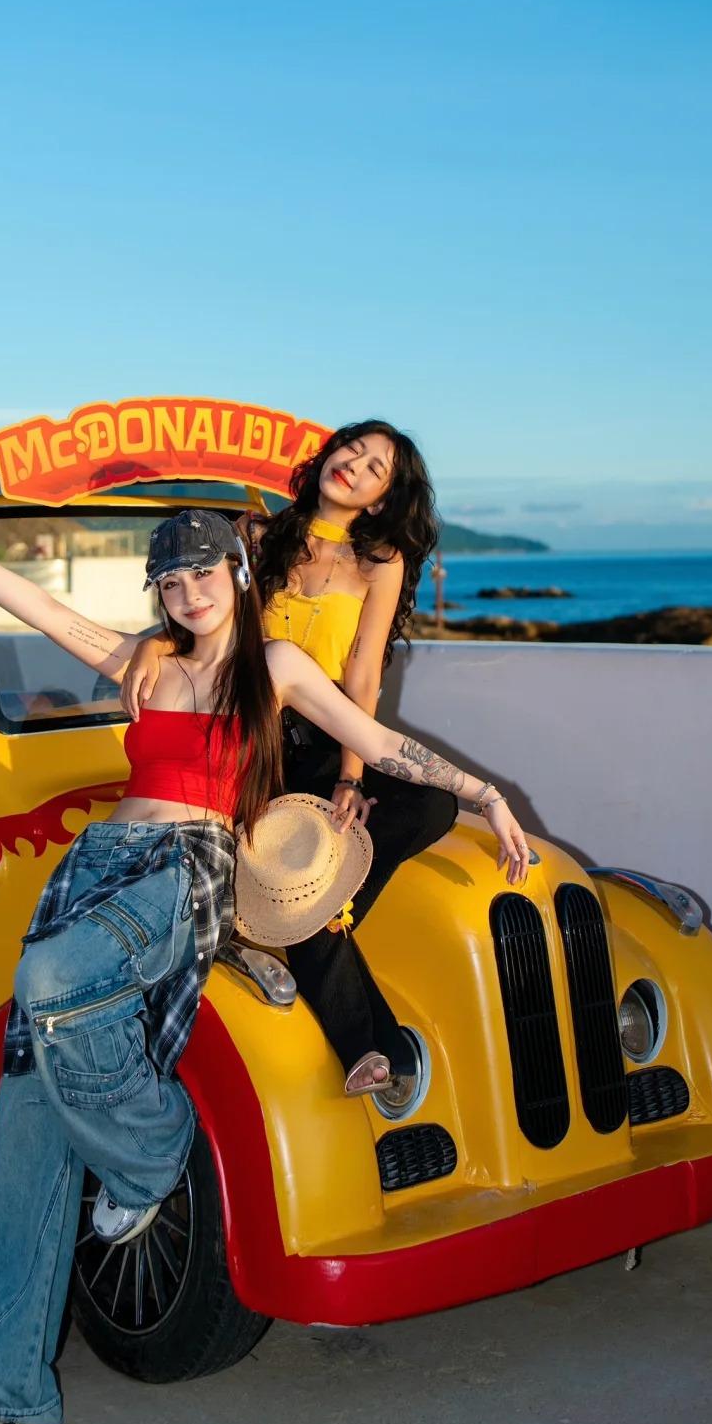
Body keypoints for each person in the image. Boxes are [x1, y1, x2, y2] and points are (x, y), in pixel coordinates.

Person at [0, 470, 527, 1424]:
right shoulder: (147, 664)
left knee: (48, 980)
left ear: (237, 572)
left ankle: (148, 1156)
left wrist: (486, 795)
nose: (188, 594)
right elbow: (42, 609)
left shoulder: (277, 667)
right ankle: (3, 1389)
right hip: (98, 863)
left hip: (187, 868)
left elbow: (383, 743)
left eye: (202, 574)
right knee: (26, 1136)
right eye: (170, 582)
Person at [122, 420, 453, 1101]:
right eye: (352, 450)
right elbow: (201, 613)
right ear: (328, 454)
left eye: (376, 469)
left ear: (384, 498)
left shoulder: (381, 561)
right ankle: (369, 1042)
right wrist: (151, 645)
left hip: (328, 727)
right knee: (291, 868)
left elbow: (363, 674)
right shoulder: (256, 535)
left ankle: (327, 910)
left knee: (432, 802)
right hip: (254, 734)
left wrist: (351, 776)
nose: (354, 466)